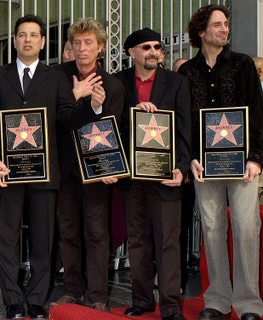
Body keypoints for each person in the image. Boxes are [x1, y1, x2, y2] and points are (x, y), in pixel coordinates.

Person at [0, 14, 73, 319]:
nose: (28, 40)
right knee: (6, 238)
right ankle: (12, 301)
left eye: (34, 35)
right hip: (7, 172)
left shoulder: (56, 77)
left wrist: (89, 105)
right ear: (16, 40)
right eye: (22, 34)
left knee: (43, 238)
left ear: (43, 42)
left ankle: (36, 299)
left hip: (44, 173)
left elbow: (67, 119)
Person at [178, 5, 263, 320]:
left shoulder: (242, 65)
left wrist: (256, 158)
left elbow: (257, 113)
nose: (224, 30)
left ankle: (249, 305)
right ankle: (216, 300)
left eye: (226, 24)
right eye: (217, 25)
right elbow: (183, 121)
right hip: (204, 167)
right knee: (212, 229)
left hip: (243, 166)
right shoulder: (187, 71)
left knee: (246, 229)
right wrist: (190, 160)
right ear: (201, 31)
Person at [114, 27, 191, 320]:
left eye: (157, 47)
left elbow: (186, 128)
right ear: (131, 52)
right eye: (146, 47)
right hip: (133, 177)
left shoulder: (176, 82)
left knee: (169, 241)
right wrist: (135, 110)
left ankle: (171, 306)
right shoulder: (118, 82)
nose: (153, 52)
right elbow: (111, 124)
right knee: (138, 239)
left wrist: (182, 168)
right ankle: (142, 299)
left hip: (165, 176)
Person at [50, 17, 124, 313]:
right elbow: (60, 121)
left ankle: (98, 296)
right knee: (67, 232)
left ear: (101, 47)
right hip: (65, 169)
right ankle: (72, 291)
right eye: (77, 42)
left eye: (88, 43)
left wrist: (108, 167)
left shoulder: (114, 86)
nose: (81, 48)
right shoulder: (57, 77)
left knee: (97, 233)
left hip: (97, 173)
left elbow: (114, 129)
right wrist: (85, 102)